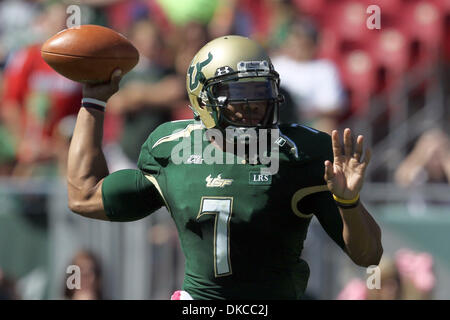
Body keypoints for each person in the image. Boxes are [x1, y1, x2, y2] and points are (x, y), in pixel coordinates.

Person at [67, 35, 382, 300]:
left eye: (261, 90)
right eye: (238, 93)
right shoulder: (171, 148)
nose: (254, 104)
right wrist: (93, 103)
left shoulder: (302, 155)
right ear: (202, 98)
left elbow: (369, 256)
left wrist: (348, 203)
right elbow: (84, 196)